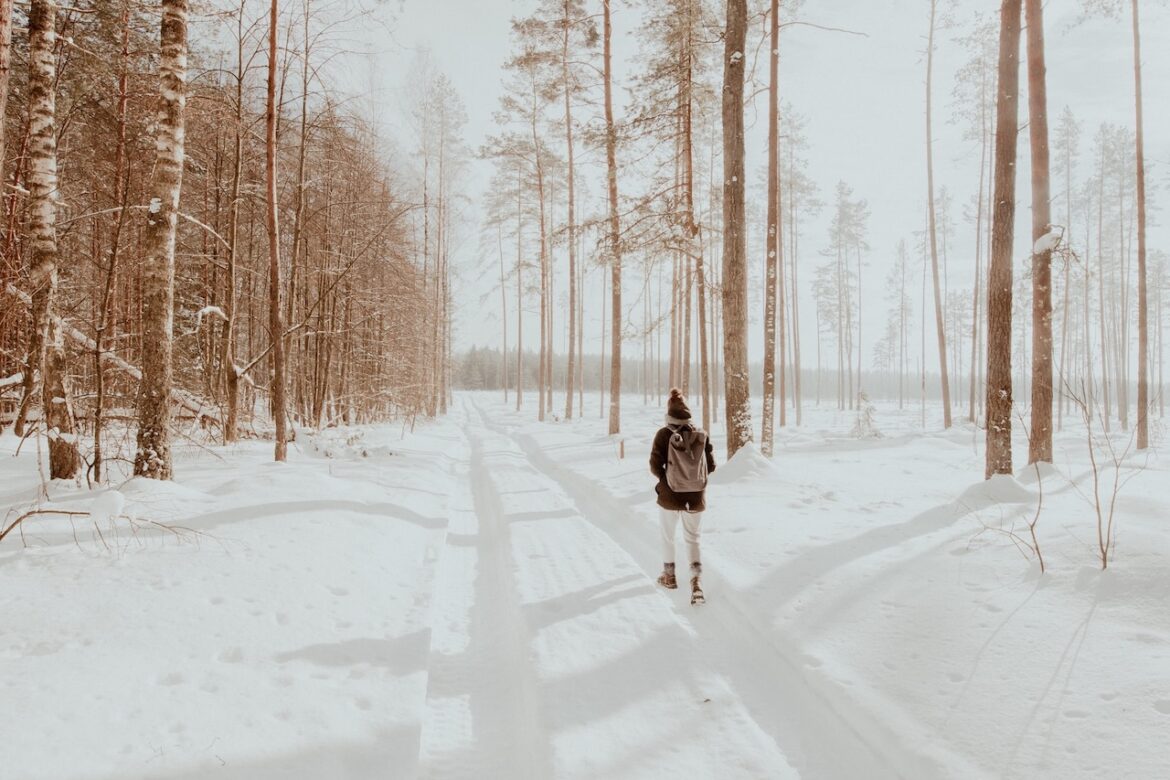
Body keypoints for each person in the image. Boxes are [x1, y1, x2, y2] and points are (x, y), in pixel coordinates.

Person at [649, 388, 716, 596]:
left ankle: (669, 576)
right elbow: (711, 466)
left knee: (667, 537)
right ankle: (696, 582)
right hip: (696, 497)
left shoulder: (663, 434)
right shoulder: (701, 434)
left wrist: (666, 480)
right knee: (693, 538)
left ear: (669, 413)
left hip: (669, 498)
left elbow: (654, 464)